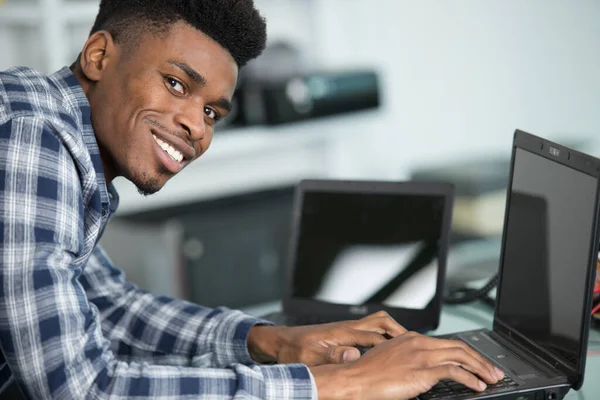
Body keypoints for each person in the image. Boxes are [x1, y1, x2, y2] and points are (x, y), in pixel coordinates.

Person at [0, 0, 503, 398]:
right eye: (175, 83)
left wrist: (273, 342)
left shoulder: (50, 123)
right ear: (99, 56)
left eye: (213, 112)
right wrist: (346, 385)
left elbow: (111, 305)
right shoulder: (33, 138)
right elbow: (82, 388)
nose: (196, 126)